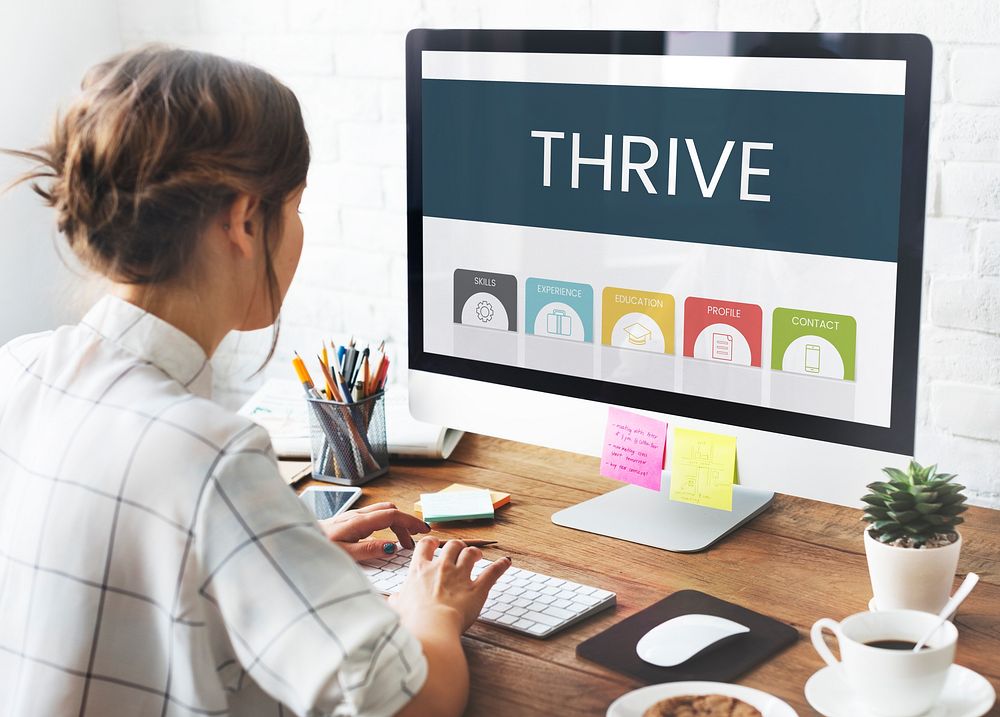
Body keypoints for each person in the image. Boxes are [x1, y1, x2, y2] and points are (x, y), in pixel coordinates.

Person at [0, 45, 509, 717]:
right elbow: (413, 702)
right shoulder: (210, 454)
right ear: (243, 221)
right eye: (294, 207)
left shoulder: (18, 368)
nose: (296, 231)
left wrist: (274, 550)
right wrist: (431, 609)